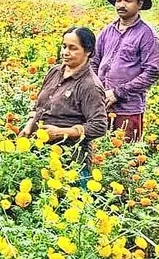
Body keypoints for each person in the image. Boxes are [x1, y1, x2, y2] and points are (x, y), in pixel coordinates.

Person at [20, 27, 108, 179]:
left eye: (73, 48)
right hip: (40, 150)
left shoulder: (89, 85)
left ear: (88, 51)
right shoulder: (55, 71)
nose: (65, 52)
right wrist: (29, 126)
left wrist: (61, 132)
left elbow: (99, 126)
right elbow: (40, 105)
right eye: (64, 46)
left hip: (69, 158)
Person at [91, 0, 159, 143]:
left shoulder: (147, 34)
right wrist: (97, 90)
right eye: (118, 0)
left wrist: (117, 93)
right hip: (101, 105)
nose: (121, 5)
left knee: (125, 158)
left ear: (140, 4)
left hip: (128, 109)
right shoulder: (107, 31)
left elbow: (151, 72)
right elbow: (94, 61)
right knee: (99, 151)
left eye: (128, 1)